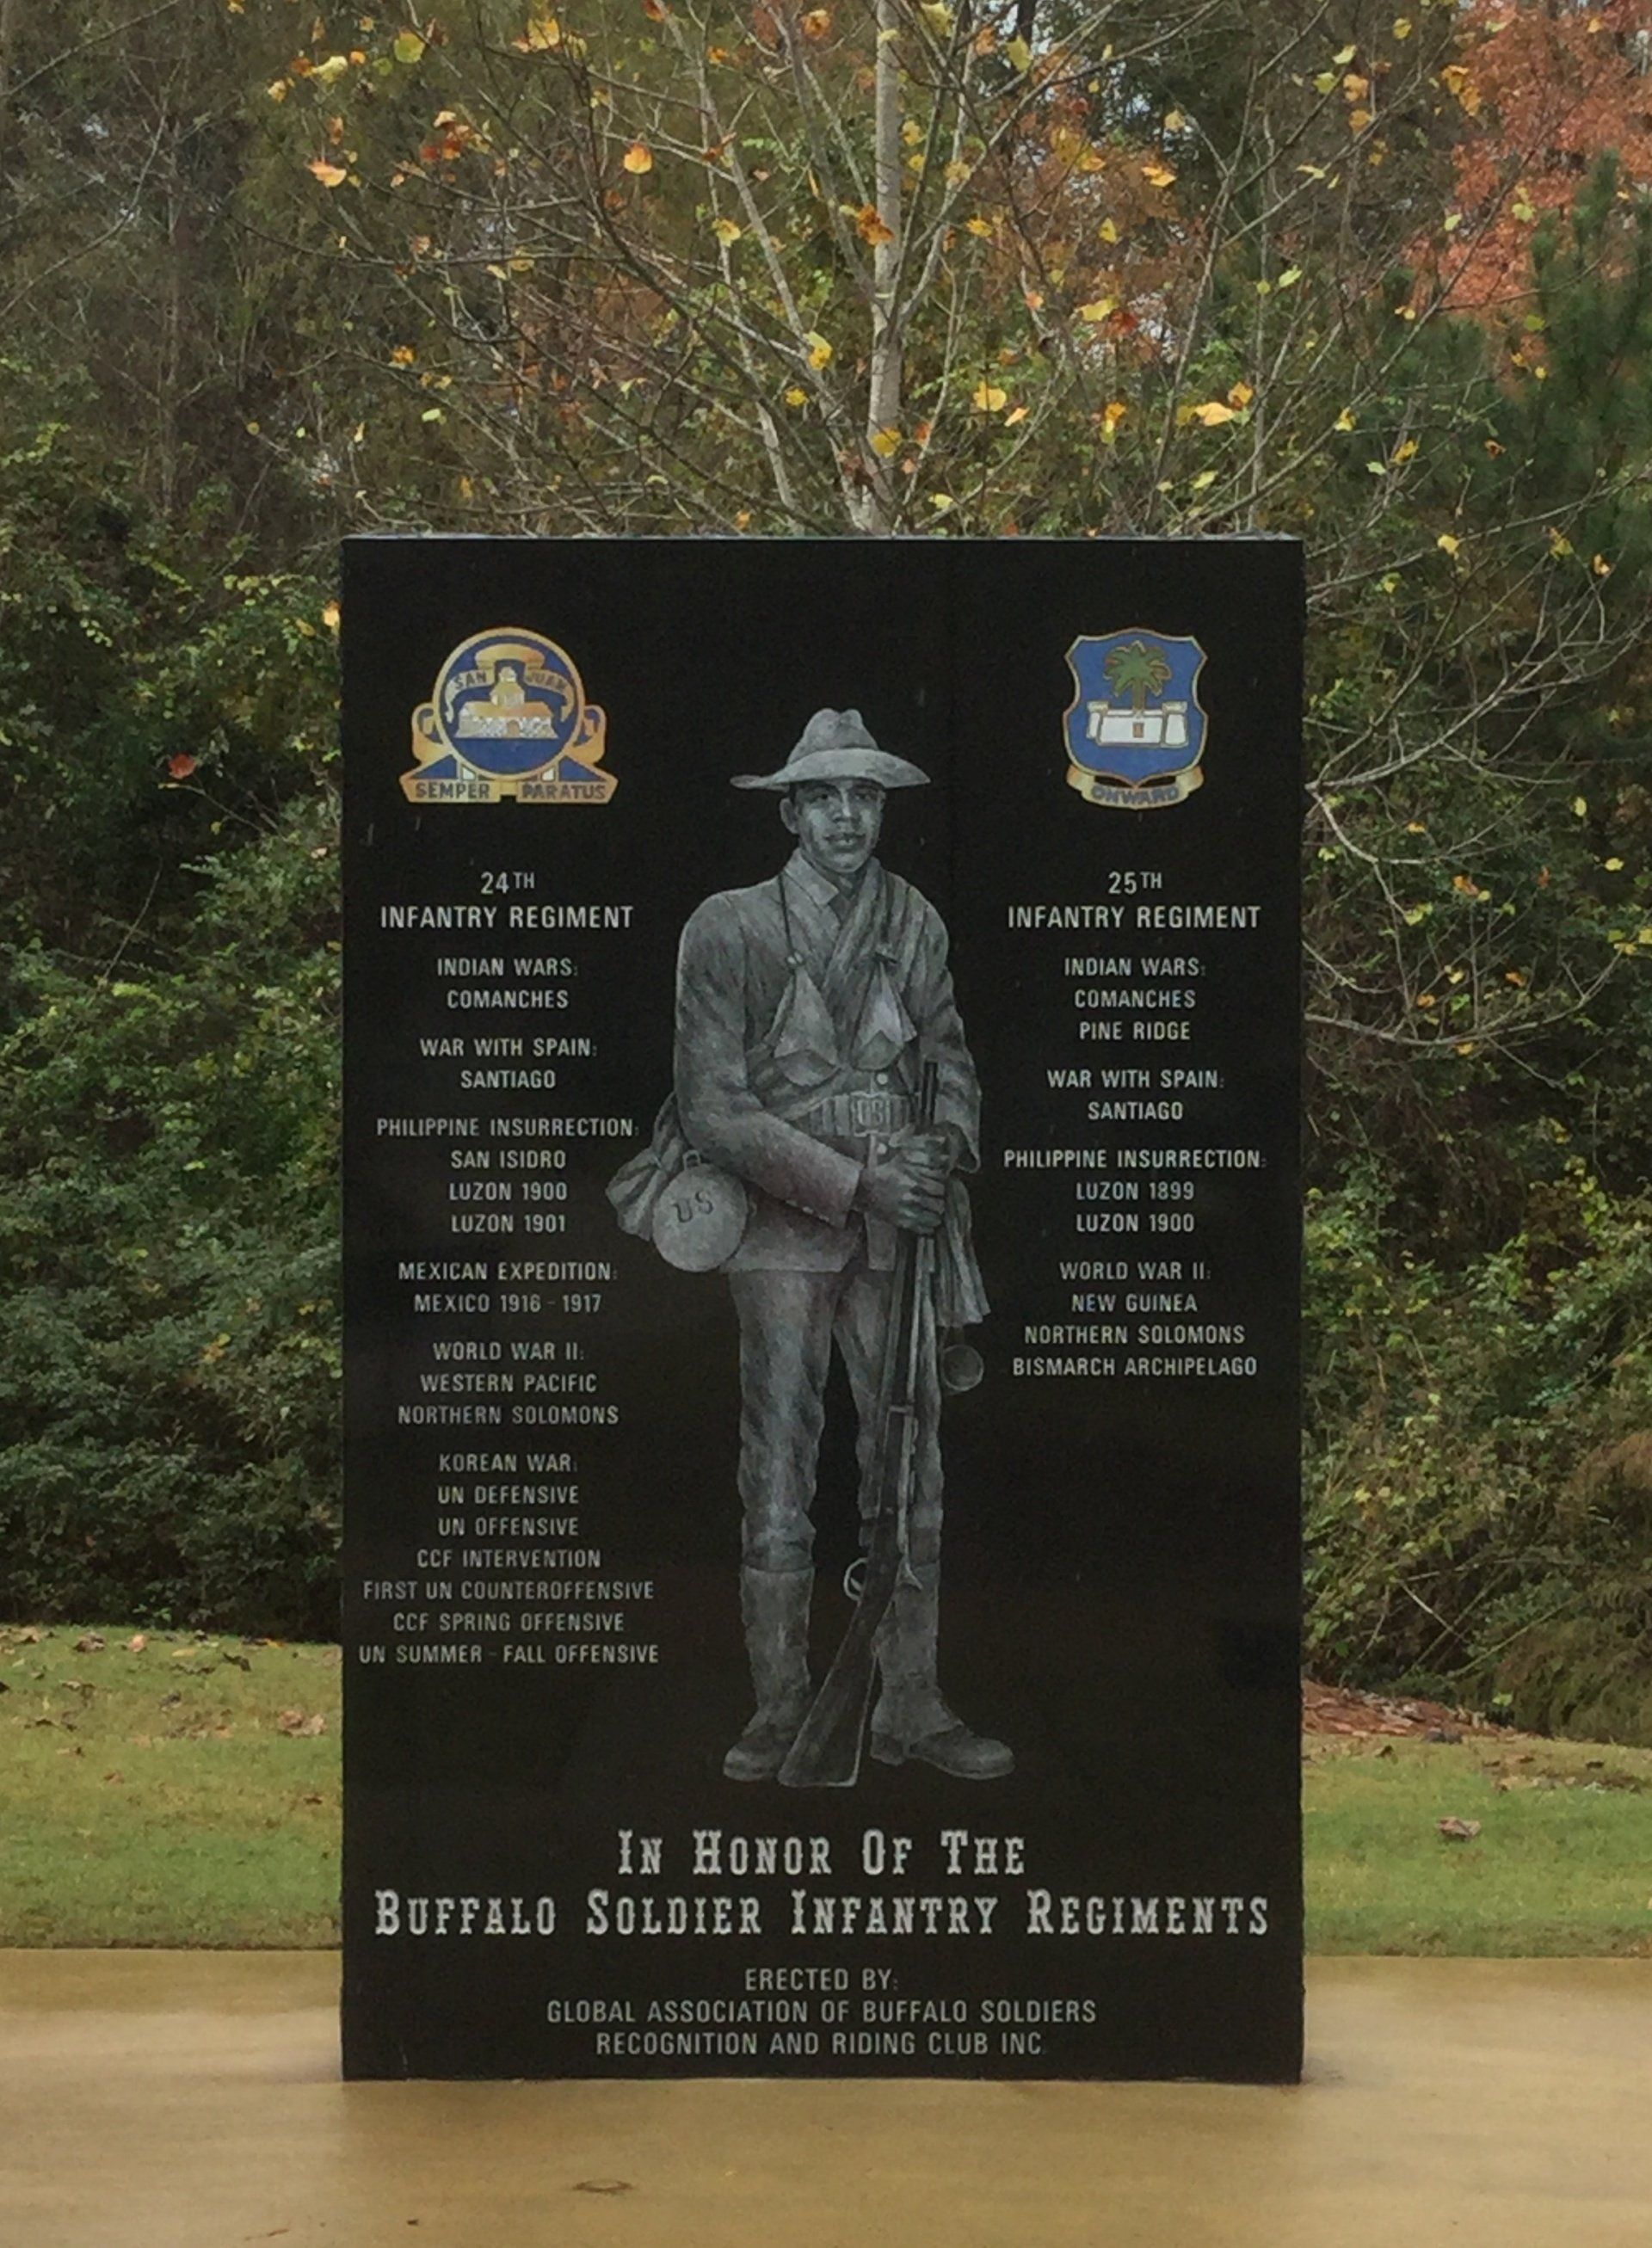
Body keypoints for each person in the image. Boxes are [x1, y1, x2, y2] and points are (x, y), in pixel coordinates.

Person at [616, 707, 1012, 1783]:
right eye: (826, 796)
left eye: (866, 797)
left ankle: (913, 1709)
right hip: (779, 1230)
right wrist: (853, 1179)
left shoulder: (915, 919)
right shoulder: (728, 926)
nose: (847, 816)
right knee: (780, 1469)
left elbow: (953, 1058)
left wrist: (939, 1147)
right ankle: (782, 1710)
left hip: (901, 1234)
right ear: (790, 811)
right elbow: (715, 1109)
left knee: (911, 1471)